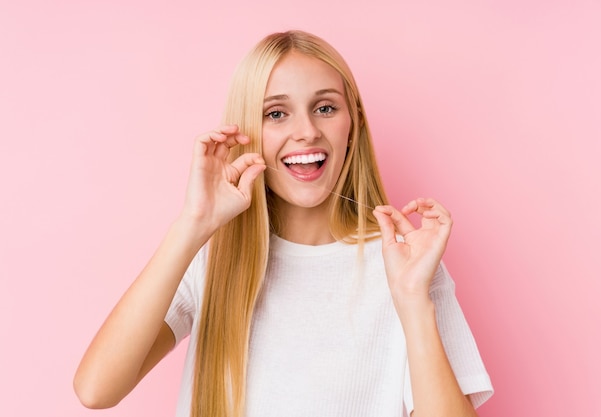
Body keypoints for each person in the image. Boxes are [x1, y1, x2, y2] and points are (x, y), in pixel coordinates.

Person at [73, 30, 493, 417]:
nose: (306, 131)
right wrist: (193, 223)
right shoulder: (212, 257)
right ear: (248, 132)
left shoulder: (405, 262)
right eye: (276, 114)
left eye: (325, 108)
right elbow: (96, 390)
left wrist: (413, 301)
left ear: (355, 125)